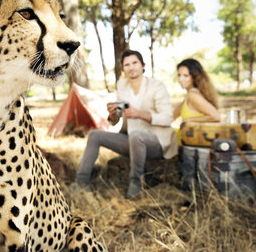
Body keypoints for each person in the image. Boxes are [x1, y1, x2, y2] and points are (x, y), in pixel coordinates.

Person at [74, 50, 177, 199]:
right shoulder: (122, 85)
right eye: (127, 64)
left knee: (136, 136)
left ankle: (135, 183)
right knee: (95, 135)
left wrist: (140, 114)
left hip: (158, 142)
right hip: (131, 140)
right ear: (123, 69)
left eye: (135, 63)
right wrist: (113, 115)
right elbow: (119, 117)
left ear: (143, 65)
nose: (131, 67)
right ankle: (81, 182)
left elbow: (168, 118)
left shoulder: (156, 86)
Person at [173, 58, 220, 125]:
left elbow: (216, 116)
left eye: (186, 75)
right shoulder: (189, 95)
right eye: (179, 75)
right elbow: (172, 116)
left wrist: (189, 120)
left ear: (194, 77)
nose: (181, 79)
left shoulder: (193, 95)